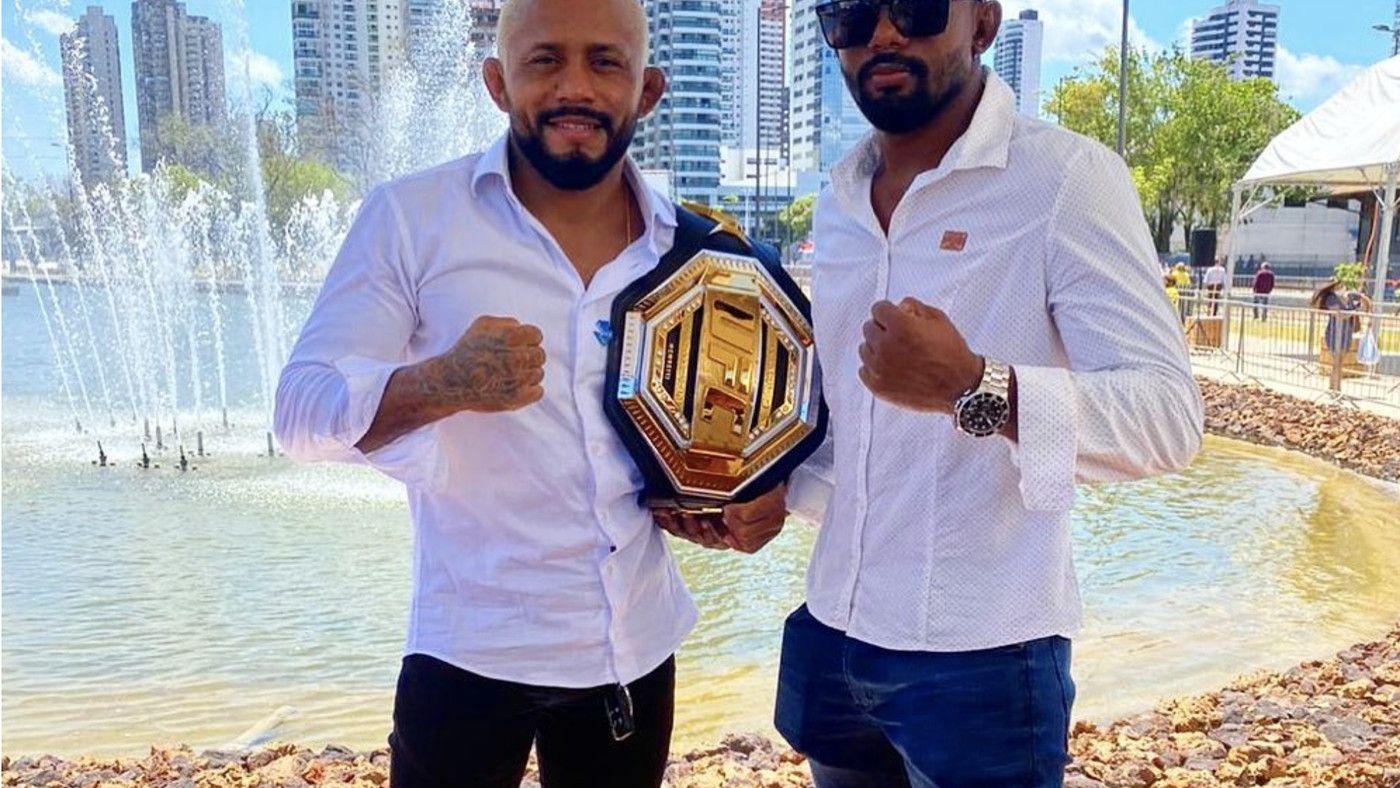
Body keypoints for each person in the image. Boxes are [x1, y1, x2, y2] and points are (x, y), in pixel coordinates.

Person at [273, 0, 786, 784]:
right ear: (496, 82)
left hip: (633, 652)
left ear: (647, 89)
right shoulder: (411, 217)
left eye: (604, 62)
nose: (575, 86)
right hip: (468, 652)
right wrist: (438, 383)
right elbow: (298, 413)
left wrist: (743, 505)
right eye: (544, 60)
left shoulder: (700, 253)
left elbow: (737, 433)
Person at [772, 1, 1204, 786]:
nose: (885, 33)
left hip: (983, 654)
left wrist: (976, 387)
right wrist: (773, 490)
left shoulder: (1065, 179)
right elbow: (858, 431)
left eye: (916, 7)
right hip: (833, 627)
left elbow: (1169, 418)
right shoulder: (839, 199)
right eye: (852, 14)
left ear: (982, 23)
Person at [1313, 279, 1371, 355]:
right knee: (1337, 357)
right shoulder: (1331, 298)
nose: (1342, 287)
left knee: (1341, 358)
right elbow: (1340, 314)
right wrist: (1354, 311)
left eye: (1342, 285)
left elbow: (1365, 300)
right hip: (1334, 332)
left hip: (1347, 332)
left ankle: (1337, 367)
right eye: (1339, 285)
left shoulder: (1350, 295)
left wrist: (1367, 311)